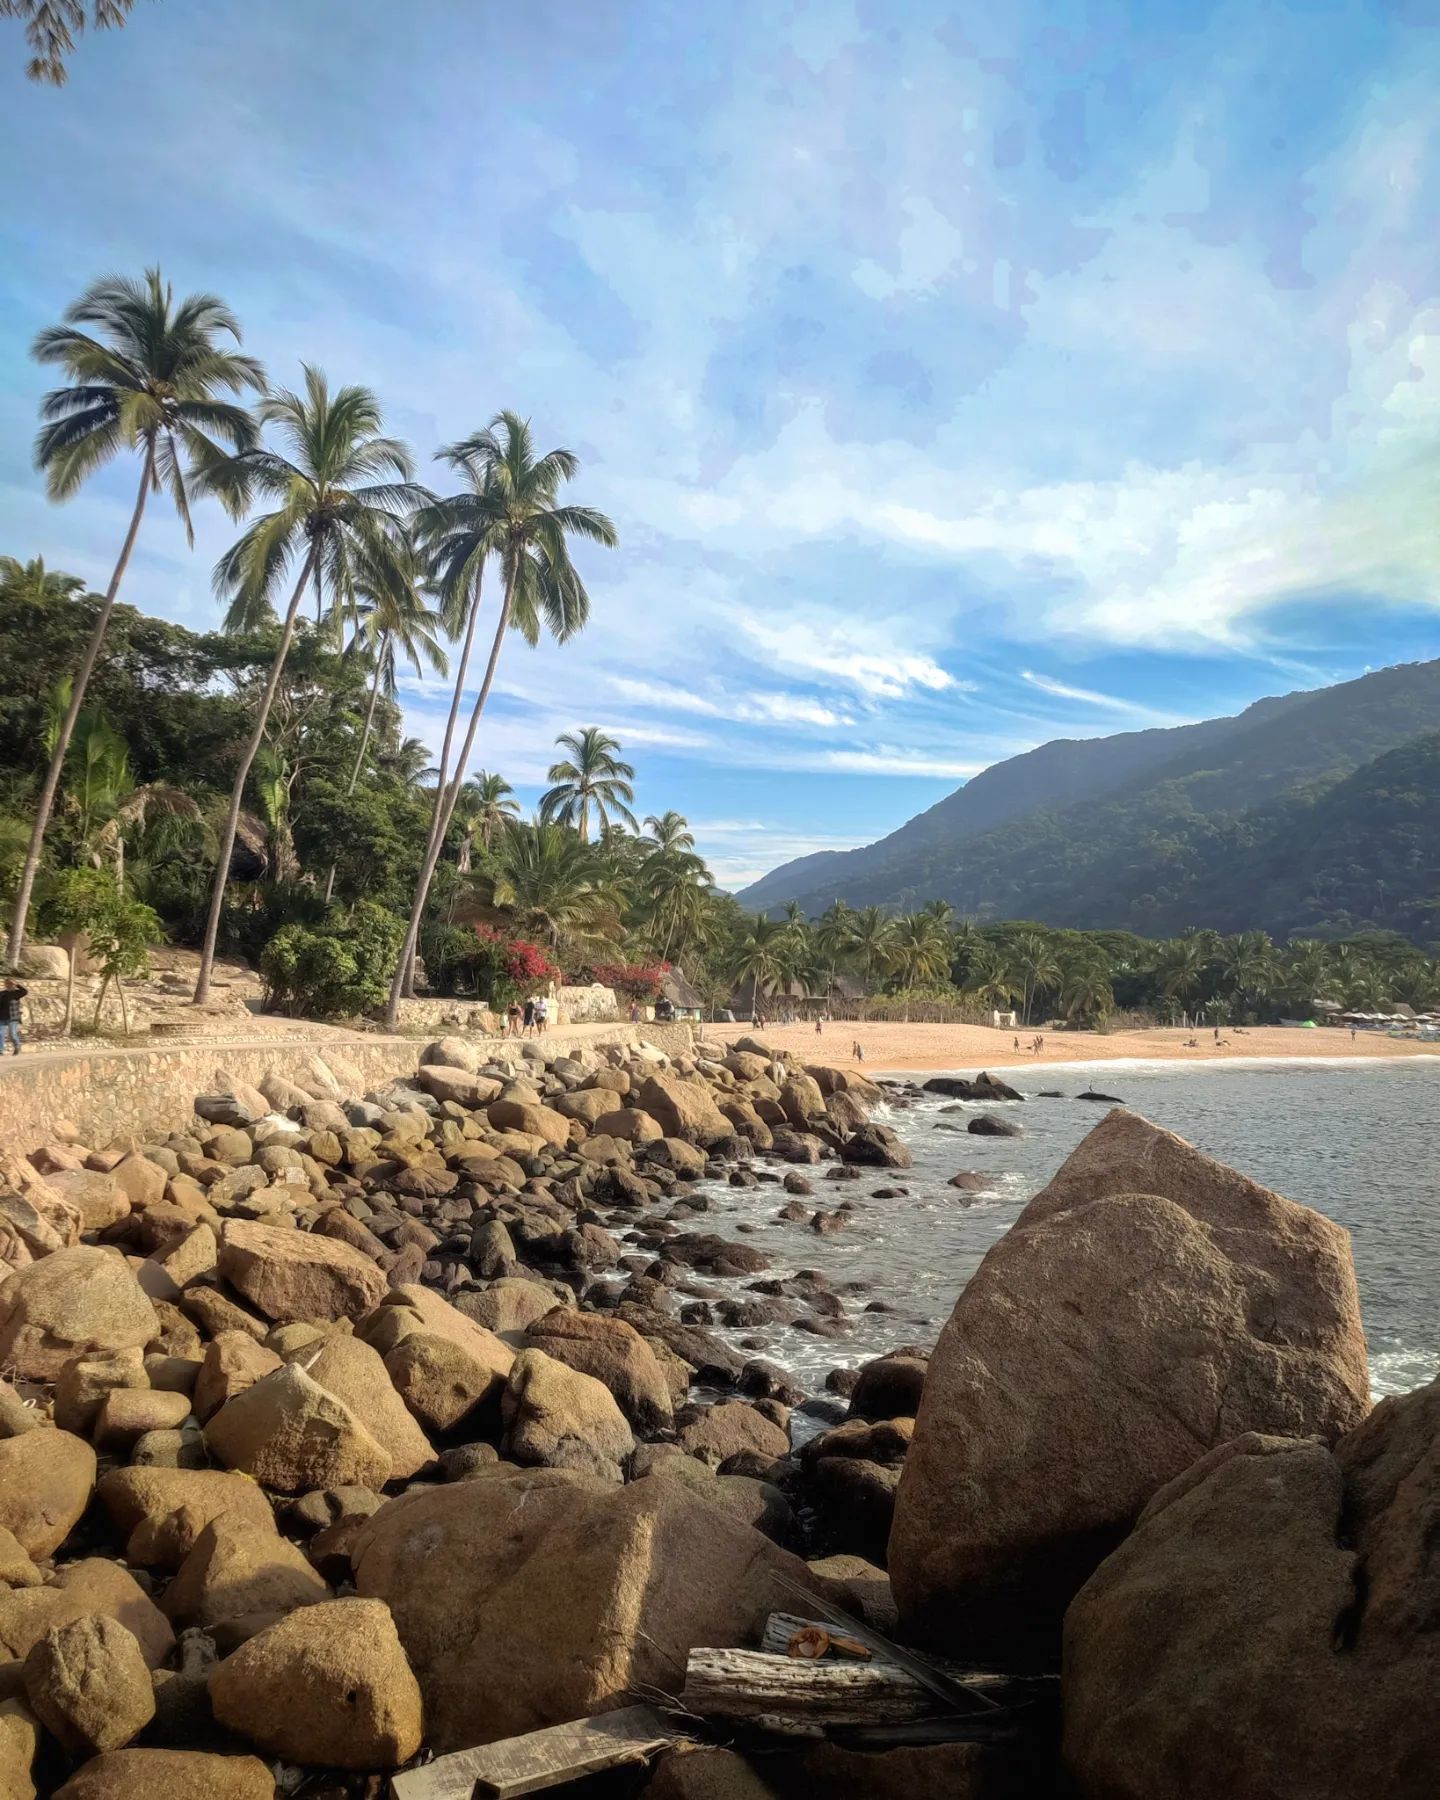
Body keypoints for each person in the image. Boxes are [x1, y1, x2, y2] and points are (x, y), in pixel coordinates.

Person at [0, 980, 25, 1056]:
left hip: (12, 1018)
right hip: (2, 1018)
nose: (8, 985)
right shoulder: (2, 993)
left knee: (12, 1034)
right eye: (7, 984)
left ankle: (17, 1046)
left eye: (10, 984)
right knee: (0, 1033)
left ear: (13, 984)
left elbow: (25, 991)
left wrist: (17, 984)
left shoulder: (17, 993)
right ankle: (1, 1050)